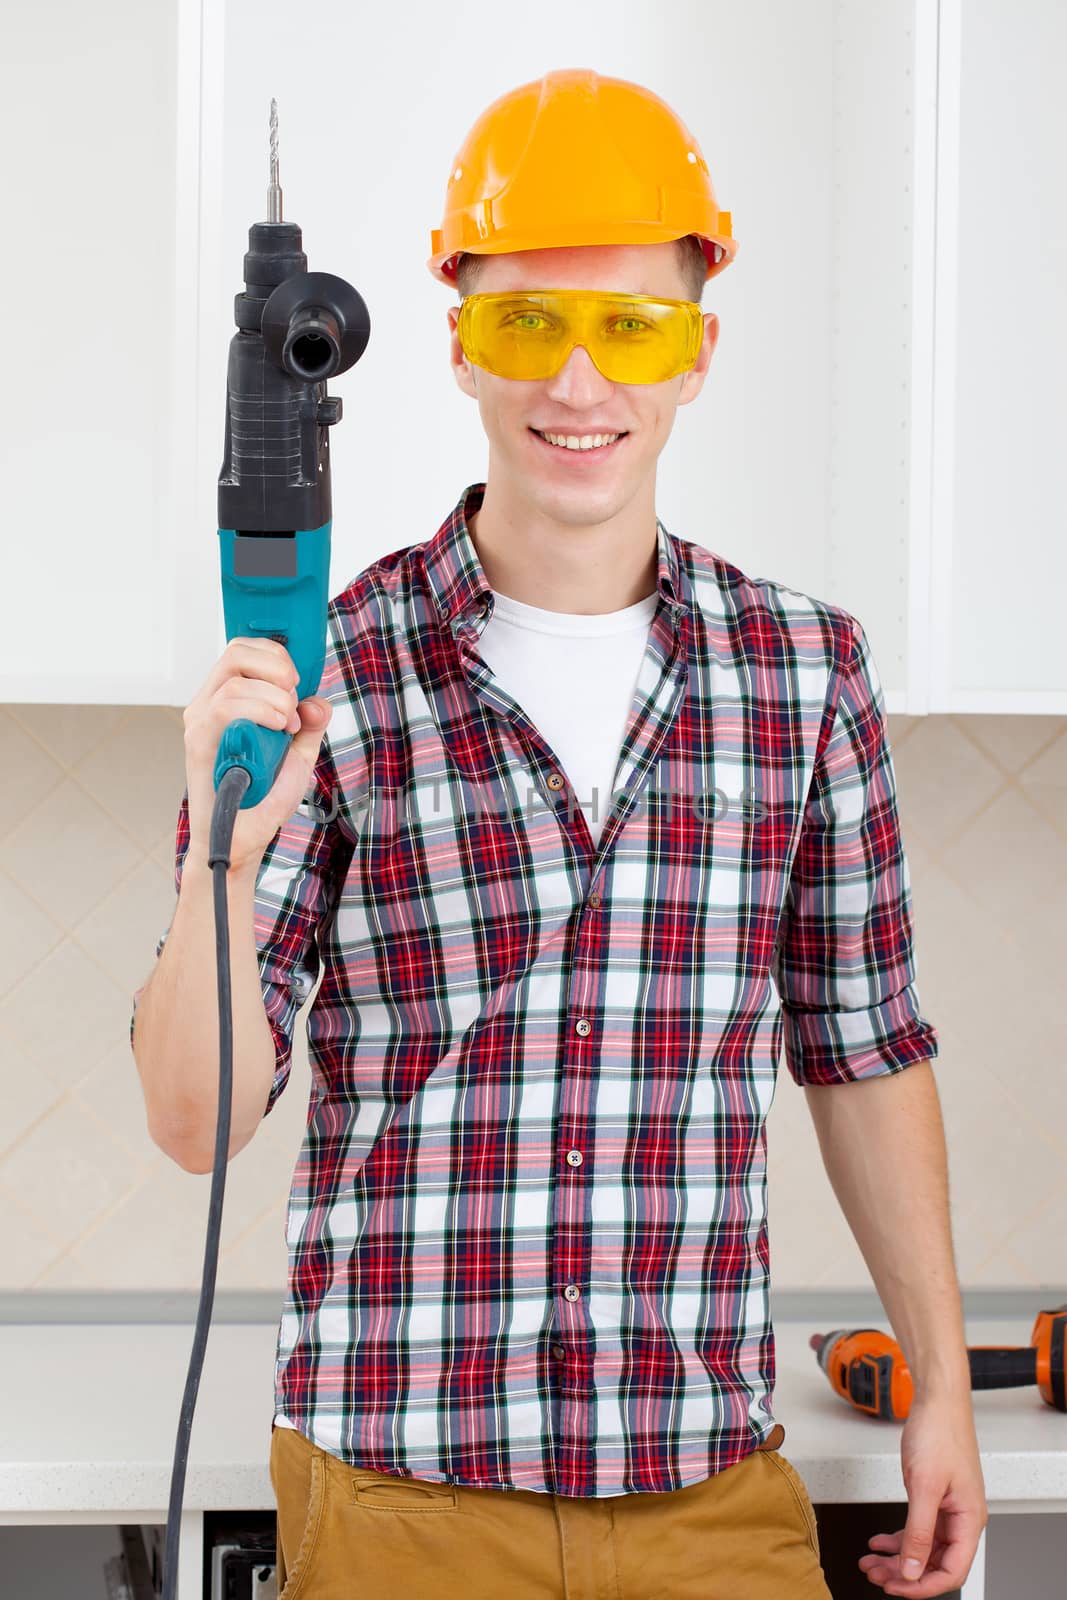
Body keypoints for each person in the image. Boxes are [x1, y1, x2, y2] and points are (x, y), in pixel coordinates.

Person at [131, 67, 986, 1600]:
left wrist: (942, 1386)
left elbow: (863, 1051)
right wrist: (231, 859)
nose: (579, 385)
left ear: (698, 353)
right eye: (529, 323)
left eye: (630, 327)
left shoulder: (805, 673)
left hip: (709, 1492)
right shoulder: (329, 672)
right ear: (457, 338)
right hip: (398, 1495)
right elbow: (197, 1125)